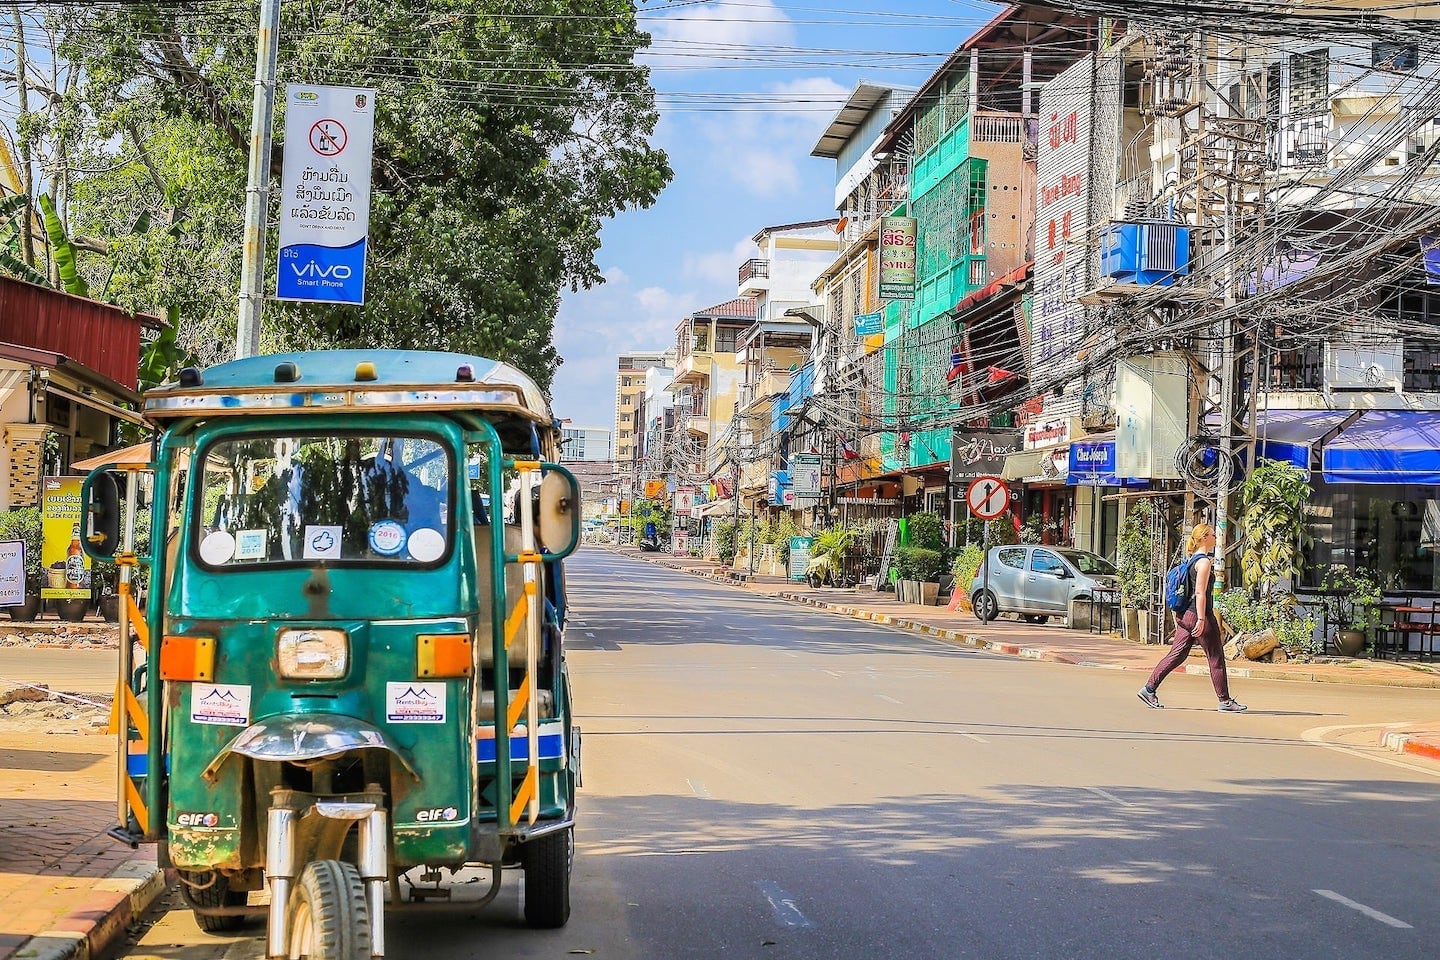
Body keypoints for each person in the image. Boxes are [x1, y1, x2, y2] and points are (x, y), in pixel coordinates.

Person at [1137, 523, 1247, 713]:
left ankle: (1149, 689)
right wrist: (1202, 619)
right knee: (1216, 658)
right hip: (1197, 615)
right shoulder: (1204, 562)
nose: (1216, 537)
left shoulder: (1191, 560)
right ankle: (1225, 701)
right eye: (1213, 534)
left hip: (1184, 615)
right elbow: (1200, 592)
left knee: (1177, 655)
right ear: (1204, 538)